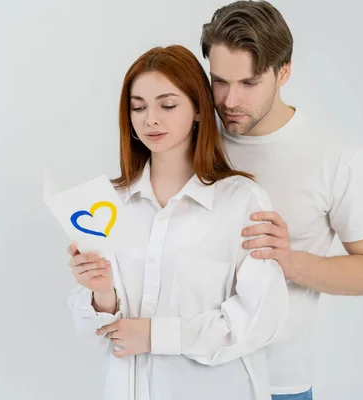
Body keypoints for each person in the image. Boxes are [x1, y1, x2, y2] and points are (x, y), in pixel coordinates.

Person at [66, 44, 288, 400]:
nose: (151, 119)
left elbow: (260, 320)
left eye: (167, 105)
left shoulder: (242, 201)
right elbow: (90, 333)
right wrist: (101, 293)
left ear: (199, 109)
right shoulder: (105, 203)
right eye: (138, 107)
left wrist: (157, 335)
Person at [199, 1, 363, 399]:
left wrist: (290, 263)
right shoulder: (193, 139)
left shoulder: (334, 156)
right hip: (185, 373)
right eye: (219, 81)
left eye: (249, 83)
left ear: (284, 71)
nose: (230, 100)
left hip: (277, 383)